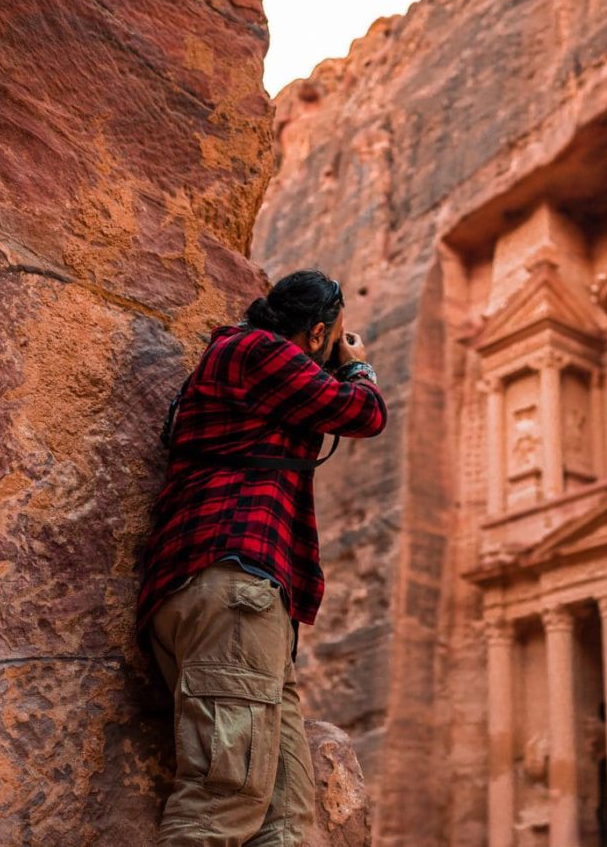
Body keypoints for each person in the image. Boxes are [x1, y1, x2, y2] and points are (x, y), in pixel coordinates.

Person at [137, 269, 387, 847]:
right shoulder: (257, 351)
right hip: (233, 585)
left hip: (239, 599)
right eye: (332, 336)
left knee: (285, 819)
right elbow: (364, 413)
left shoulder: (249, 361)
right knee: (221, 801)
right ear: (318, 332)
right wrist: (356, 366)